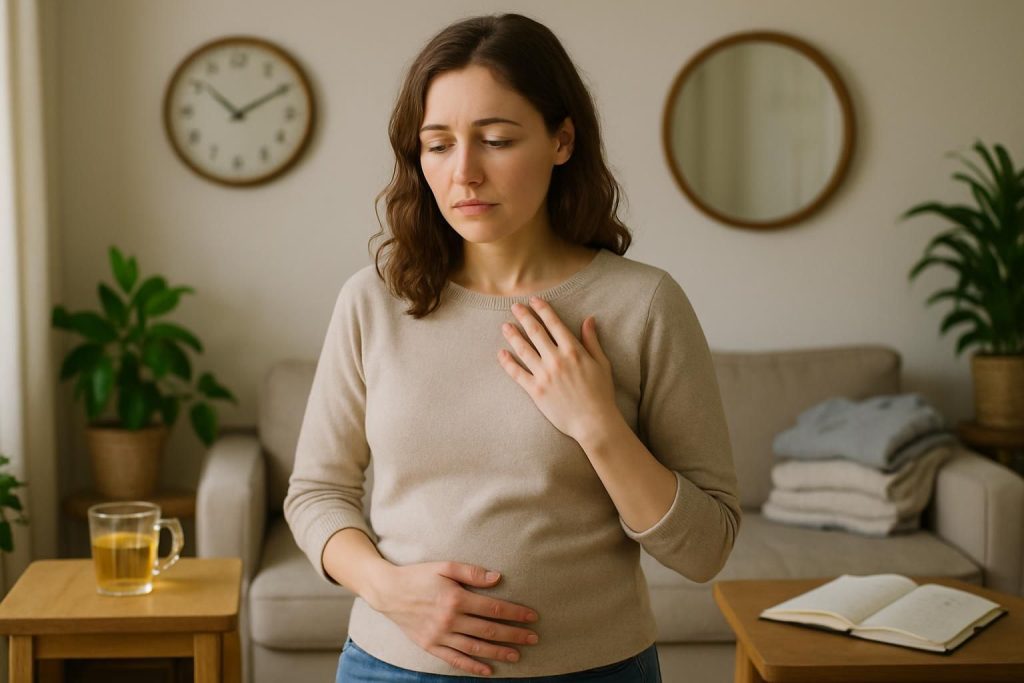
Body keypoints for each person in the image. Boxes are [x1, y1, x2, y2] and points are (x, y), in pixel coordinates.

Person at [283, 11, 740, 682]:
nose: (463, 171)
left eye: (495, 139)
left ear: (562, 139)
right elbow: (316, 492)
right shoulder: (373, 299)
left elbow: (707, 548)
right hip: (390, 667)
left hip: (596, 670)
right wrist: (386, 587)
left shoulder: (642, 305)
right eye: (437, 144)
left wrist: (596, 424)